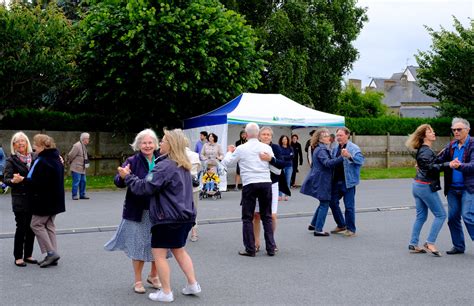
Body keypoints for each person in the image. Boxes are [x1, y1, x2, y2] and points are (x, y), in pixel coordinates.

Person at [118, 128, 200, 303]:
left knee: (159, 255)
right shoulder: (182, 163)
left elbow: (144, 186)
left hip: (167, 218)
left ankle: (166, 291)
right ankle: (192, 284)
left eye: (162, 140)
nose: (159, 143)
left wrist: (128, 177)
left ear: (170, 145)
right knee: (179, 250)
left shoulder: (164, 166)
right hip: (185, 216)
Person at [104, 129, 162, 294]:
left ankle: (154, 275)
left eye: (150, 142)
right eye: (144, 142)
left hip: (158, 210)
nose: (147, 145)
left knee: (158, 244)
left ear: (155, 144)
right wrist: (122, 176)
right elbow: (118, 181)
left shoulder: (162, 159)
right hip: (138, 210)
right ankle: (137, 280)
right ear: (138, 145)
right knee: (139, 246)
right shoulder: (132, 160)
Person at [220, 122, 277, 257]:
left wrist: (229, 152)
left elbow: (227, 163)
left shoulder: (241, 148)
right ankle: (270, 247)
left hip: (249, 183)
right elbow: (273, 161)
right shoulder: (266, 147)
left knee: (247, 217)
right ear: (258, 134)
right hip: (265, 182)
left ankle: (250, 248)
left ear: (245, 135)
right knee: (267, 216)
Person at [14, 134, 65, 268]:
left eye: (35, 144)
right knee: (49, 225)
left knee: (36, 224)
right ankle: (53, 254)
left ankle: (51, 253)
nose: (34, 147)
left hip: (44, 200)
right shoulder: (56, 158)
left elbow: (39, 182)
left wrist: (23, 180)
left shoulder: (43, 161)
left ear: (42, 146)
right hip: (55, 199)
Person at [405, 124, 448, 256]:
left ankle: (413, 243)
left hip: (417, 185)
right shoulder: (426, 151)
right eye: (430, 132)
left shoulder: (423, 150)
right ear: (424, 136)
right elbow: (432, 167)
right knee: (441, 215)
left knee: (421, 216)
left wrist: (439, 157)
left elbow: (429, 163)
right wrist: (449, 164)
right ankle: (430, 242)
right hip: (425, 186)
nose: (434, 133)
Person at [437, 118, 474, 255]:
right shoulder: (451, 146)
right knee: (452, 218)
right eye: (454, 130)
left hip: (468, 188)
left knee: (468, 216)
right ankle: (458, 246)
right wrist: (423, 162)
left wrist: (459, 166)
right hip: (452, 189)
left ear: (467, 130)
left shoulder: (473, 144)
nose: (456, 132)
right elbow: (439, 161)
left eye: (459, 129)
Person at [300, 128, 344, 236]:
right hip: (322, 180)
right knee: (325, 202)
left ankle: (314, 224)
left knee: (323, 202)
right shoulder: (321, 150)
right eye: (325, 136)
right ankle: (318, 229)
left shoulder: (321, 148)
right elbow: (327, 163)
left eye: (328, 135)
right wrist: (342, 157)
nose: (328, 137)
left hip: (321, 179)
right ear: (320, 139)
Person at [3, 132, 37, 267]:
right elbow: (6, 179)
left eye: (23, 140)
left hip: (34, 198)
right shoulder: (10, 160)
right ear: (14, 145)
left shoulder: (35, 156)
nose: (21, 143)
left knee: (32, 228)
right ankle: (18, 256)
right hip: (20, 199)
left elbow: (49, 155)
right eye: (17, 141)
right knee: (21, 227)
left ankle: (28, 254)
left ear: (27, 142)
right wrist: (13, 180)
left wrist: (58, 157)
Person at [253, 127, 287, 252]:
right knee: (256, 215)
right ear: (259, 136)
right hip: (257, 183)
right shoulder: (254, 147)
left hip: (272, 184)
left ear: (271, 137)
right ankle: (256, 242)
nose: (266, 136)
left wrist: (271, 159)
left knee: (272, 215)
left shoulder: (276, 148)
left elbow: (283, 164)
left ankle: (271, 241)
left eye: (268, 135)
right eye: (264, 134)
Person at [328, 127, 365, 237]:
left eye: (341, 135)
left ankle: (351, 229)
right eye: (337, 135)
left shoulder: (354, 148)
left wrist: (349, 156)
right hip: (336, 181)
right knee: (332, 202)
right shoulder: (335, 148)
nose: (338, 137)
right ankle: (341, 224)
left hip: (348, 182)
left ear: (347, 135)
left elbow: (361, 161)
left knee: (349, 206)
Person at [185, 140, 201, 242]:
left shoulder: (176, 155)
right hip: (193, 185)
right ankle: (194, 233)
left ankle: (181, 231)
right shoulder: (195, 155)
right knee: (194, 209)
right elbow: (198, 169)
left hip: (181, 186)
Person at [67, 132, 90, 200]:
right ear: (84, 139)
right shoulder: (77, 146)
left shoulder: (83, 145)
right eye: (88, 139)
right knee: (76, 181)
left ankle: (82, 195)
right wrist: (71, 162)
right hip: (76, 167)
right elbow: (70, 155)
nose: (88, 140)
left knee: (83, 181)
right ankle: (74, 195)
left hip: (82, 168)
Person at [278, 135, 294, 201]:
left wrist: (284, 157)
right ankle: (280, 195)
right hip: (282, 166)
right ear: (281, 140)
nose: (285, 140)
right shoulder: (279, 148)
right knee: (281, 181)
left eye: (286, 139)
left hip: (289, 166)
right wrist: (287, 156)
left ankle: (286, 195)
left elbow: (292, 156)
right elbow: (279, 156)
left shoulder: (290, 148)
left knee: (287, 181)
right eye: (283, 139)